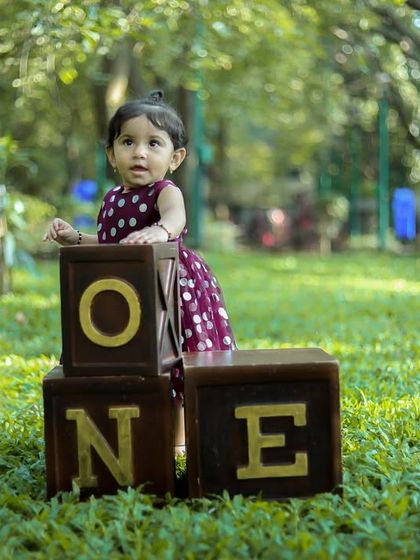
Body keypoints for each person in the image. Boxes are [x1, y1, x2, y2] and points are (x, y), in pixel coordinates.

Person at [43, 90, 236, 455]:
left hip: (171, 286)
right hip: (125, 290)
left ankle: (179, 436)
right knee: (126, 358)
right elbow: (111, 240)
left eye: (154, 143)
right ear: (111, 154)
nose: (140, 153)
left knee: (174, 357)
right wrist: (76, 237)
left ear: (175, 157)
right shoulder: (113, 197)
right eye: (128, 142)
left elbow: (175, 219)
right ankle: (125, 426)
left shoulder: (166, 192)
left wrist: (161, 231)